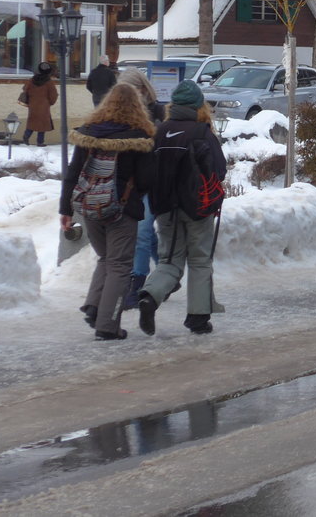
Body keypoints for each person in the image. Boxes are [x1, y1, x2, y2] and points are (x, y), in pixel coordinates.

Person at [57, 83, 156, 341]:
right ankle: (108, 325)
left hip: (90, 207)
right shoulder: (139, 137)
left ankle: (94, 307)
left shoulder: (89, 133)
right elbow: (147, 180)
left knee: (105, 258)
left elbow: (73, 172)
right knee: (121, 265)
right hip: (121, 210)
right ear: (137, 106)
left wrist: (65, 209)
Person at [138, 80, 227, 336]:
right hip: (199, 207)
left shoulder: (159, 132)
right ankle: (198, 319)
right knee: (199, 260)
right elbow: (219, 170)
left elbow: (146, 172)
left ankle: (149, 296)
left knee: (169, 260)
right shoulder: (202, 133)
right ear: (200, 106)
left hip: (165, 208)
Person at [115, 69, 166, 309]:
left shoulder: (158, 113)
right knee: (146, 235)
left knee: (143, 232)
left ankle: (137, 287)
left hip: (152, 181)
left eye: (133, 91)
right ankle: (168, 272)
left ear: (144, 90)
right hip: (129, 184)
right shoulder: (119, 114)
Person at [21, 62, 58, 146]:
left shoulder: (32, 80)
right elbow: (53, 94)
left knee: (32, 122)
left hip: (32, 105)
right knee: (42, 124)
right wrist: (51, 102)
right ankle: (40, 142)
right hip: (44, 105)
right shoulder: (49, 82)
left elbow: (25, 89)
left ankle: (26, 137)